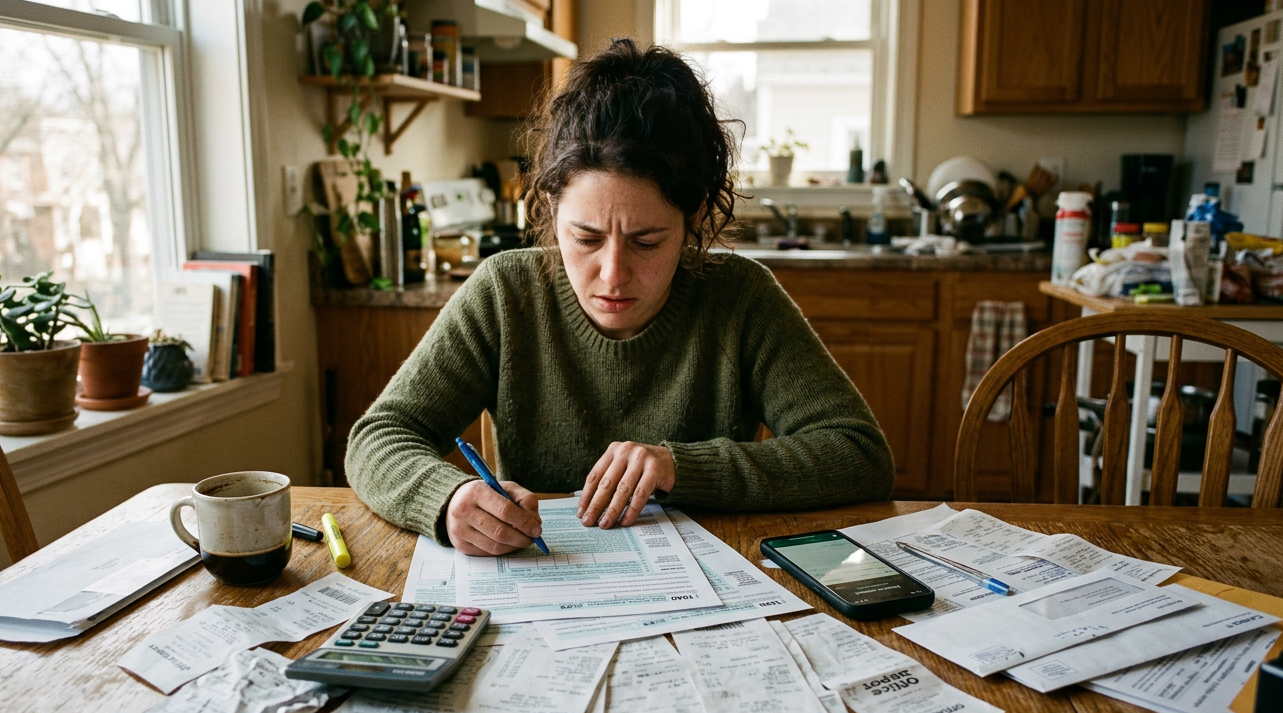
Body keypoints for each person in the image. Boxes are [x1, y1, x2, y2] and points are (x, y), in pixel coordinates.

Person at [347, 39, 894, 556]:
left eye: (646, 241)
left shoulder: (741, 299)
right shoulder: (503, 294)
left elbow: (859, 453)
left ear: (695, 217)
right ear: (550, 208)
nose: (612, 273)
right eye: (585, 239)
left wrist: (683, 467)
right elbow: (380, 437)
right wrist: (446, 501)